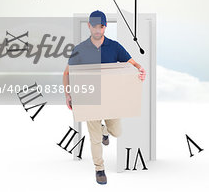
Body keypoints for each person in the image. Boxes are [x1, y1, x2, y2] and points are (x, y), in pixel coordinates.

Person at [62, 10, 146, 185]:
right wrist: (68, 94)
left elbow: (131, 62)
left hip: (111, 99)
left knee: (117, 131)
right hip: (89, 99)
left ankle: (105, 131)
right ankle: (99, 169)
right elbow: (67, 72)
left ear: (105, 27)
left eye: (101, 26)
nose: (97, 29)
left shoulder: (114, 46)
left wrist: (140, 69)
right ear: (89, 26)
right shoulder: (80, 49)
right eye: (94, 26)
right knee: (94, 138)